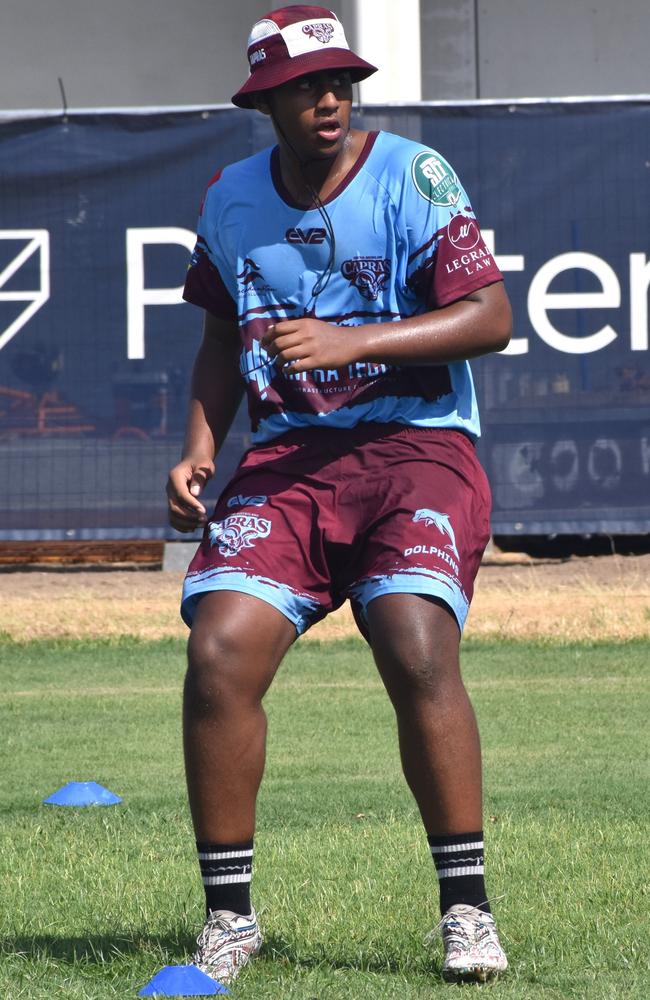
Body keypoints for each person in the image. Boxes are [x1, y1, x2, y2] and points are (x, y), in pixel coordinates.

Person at [167, 4, 512, 985]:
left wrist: (354, 340)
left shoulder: (410, 173)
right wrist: (197, 447)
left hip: (417, 450)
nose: (328, 98)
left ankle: (465, 911)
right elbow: (215, 339)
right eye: (305, 85)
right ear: (263, 99)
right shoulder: (230, 197)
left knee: (410, 636)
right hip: (287, 463)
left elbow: (488, 316)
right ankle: (229, 920)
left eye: (339, 82)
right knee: (219, 647)